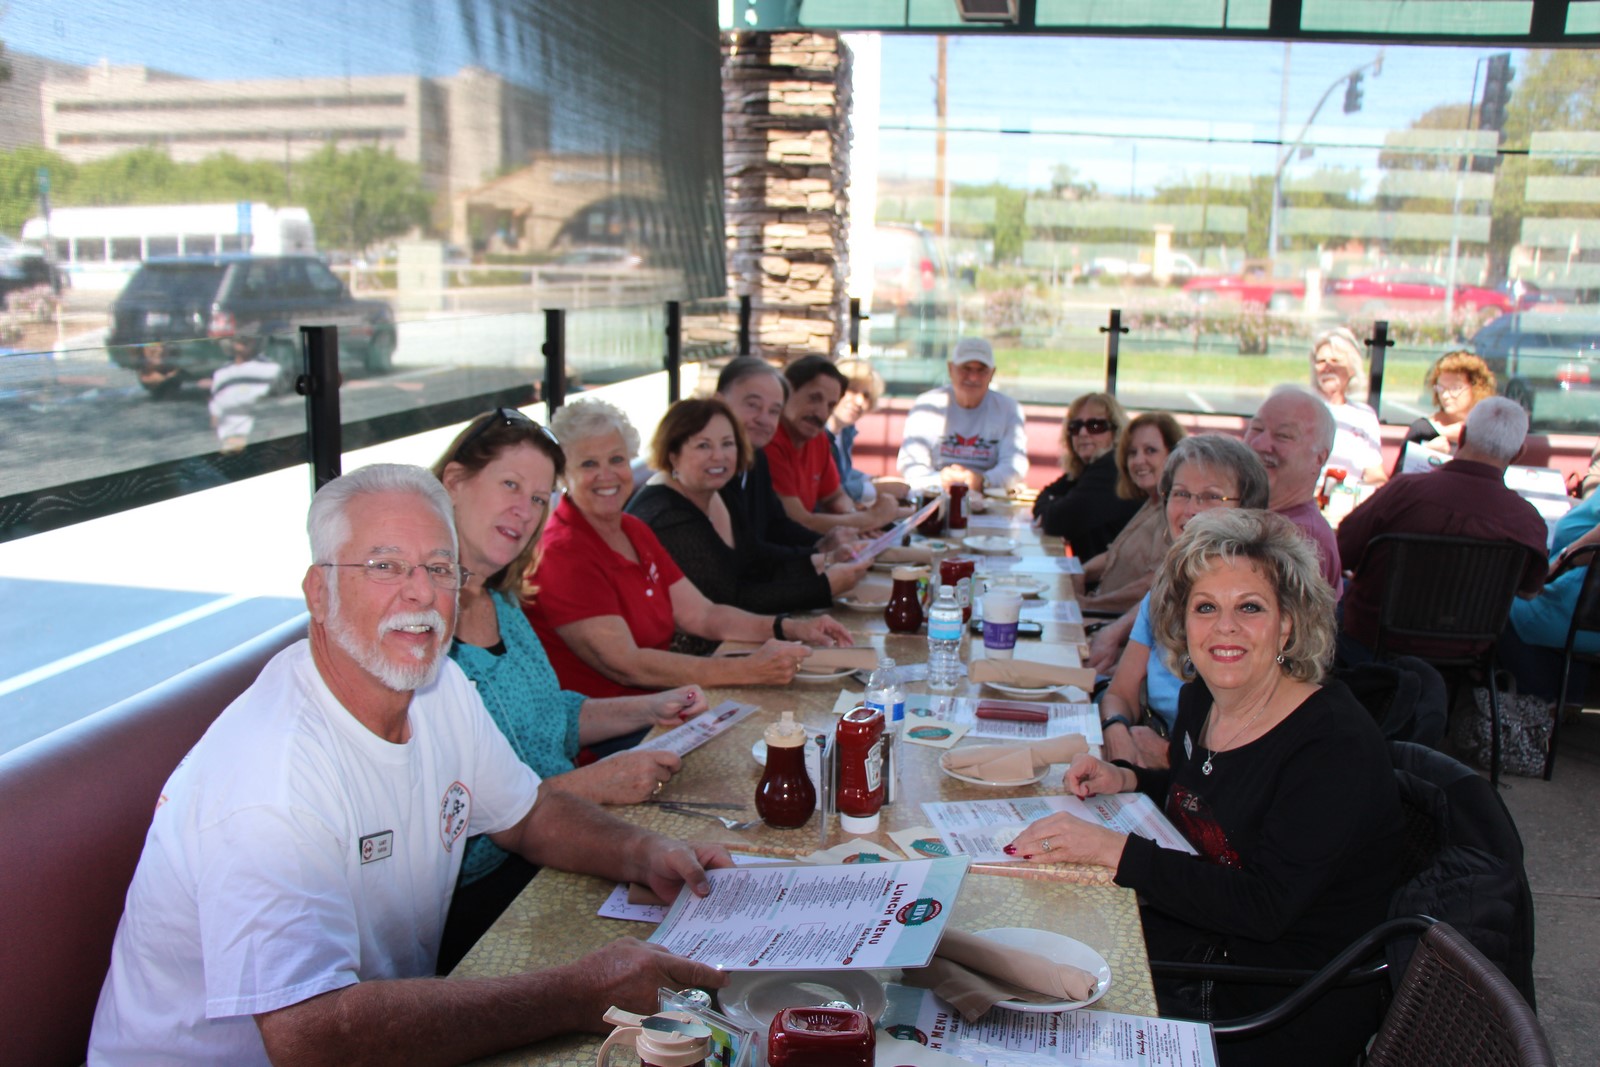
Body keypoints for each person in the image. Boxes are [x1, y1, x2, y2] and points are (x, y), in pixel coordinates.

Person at [88, 464, 729, 1065]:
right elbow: (308, 1036)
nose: (420, 592)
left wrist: (646, 853)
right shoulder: (272, 777)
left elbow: (527, 813)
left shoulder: (438, 684)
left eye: (439, 566)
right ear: (319, 591)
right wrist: (577, 994)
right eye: (385, 565)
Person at [1011, 508, 1403, 1067]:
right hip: (1205, 942)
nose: (1225, 628)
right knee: (1022, 933)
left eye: (1250, 607)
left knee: (1028, 1018)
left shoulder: (1332, 747)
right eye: (1206, 608)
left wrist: (1112, 849)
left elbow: (1265, 906)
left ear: (1287, 622)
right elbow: (1216, 797)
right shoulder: (1206, 698)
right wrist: (1129, 779)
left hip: (1272, 999)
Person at [432, 410, 714, 968]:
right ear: (454, 483)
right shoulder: (419, 633)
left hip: (561, 842)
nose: (526, 509)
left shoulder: (502, 603)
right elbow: (456, 833)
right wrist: (590, 785)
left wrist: (649, 706)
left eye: (540, 498)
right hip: (480, 897)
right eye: (510, 485)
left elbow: (552, 715)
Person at [524, 398, 852, 698]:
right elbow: (627, 664)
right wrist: (745, 669)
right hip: (618, 731)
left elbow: (703, 615)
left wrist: (794, 627)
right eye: (588, 464)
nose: (606, 475)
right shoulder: (562, 554)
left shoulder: (632, 529)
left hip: (661, 701)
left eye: (616, 459)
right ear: (562, 473)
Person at [1094, 435, 1271, 767]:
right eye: (1181, 494)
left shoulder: (1258, 606)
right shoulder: (1164, 591)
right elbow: (1121, 694)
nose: (1191, 509)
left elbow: (1256, 746)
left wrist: (1170, 756)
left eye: (1210, 496)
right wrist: (1116, 730)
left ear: (1248, 509)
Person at [1337, 397, 1548, 664]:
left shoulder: (1402, 492)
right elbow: (1529, 591)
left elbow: (1342, 552)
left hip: (1369, 644)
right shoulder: (1527, 521)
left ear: (1461, 436)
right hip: (1467, 654)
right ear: (1518, 453)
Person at [628, 397, 869, 614]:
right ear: (673, 454)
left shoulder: (717, 491)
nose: (719, 456)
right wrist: (825, 586)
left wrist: (825, 560)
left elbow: (756, 558)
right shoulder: (669, 516)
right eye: (703, 445)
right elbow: (729, 600)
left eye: (727, 443)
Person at [766, 355, 909, 535]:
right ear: (787, 390)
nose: (821, 413)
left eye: (830, 405)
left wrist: (855, 521)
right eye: (814, 398)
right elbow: (799, 522)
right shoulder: (770, 440)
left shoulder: (818, 438)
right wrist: (870, 519)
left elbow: (835, 496)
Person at [1075, 412, 1187, 617]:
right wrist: (1079, 572)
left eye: (1150, 451)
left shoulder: (1174, 512)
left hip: (1116, 628)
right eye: (1132, 453)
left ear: (1173, 455)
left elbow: (1152, 585)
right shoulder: (1152, 501)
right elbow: (1114, 555)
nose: (1138, 460)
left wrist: (1091, 604)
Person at [1501, 491, 1600, 702]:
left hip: (1581, 610)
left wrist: (1554, 568)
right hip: (1582, 606)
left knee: (1500, 600)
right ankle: (1568, 696)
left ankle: (1539, 700)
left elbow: (1586, 550)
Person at [897, 336, 1029, 492]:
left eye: (981, 370)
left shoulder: (1009, 409)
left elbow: (1015, 464)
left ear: (992, 373)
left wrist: (983, 481)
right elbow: (910, 463)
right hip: (934, 494)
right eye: (966, 368)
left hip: (988, 497)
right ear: (950, 369)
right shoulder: (927, 406)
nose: (973, 377)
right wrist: (941, 480)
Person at [1243, 385, 1342, 591]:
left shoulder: (1302, 542)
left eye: (1284, 436)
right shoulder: (1252, 516)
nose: (1260, 444)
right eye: (1257, 429)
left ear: (1318, 459)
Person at [1033, 392, 1145, 559]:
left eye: (1095, 426)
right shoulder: (1089, 467)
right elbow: (1046, 494)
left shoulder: (1111, 469)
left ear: (1115, 432)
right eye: (1075, 427)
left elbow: (1057, 521)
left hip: (1110, 581)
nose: (1083, 433)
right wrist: (1052, 506)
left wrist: (1052, 507)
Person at [1308, 326, 1386, 486]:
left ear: (1351, 369)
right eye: (1321, 361)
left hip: (1350, 498)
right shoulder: (1301, 408)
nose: (1327, 367)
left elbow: (1375, 474)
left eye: (1335, 361)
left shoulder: (1365, 415)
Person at [828, 358, 905, 505]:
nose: (860, 402)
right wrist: (876, 488)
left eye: (866, 396)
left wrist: (872, 479)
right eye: (852, 390)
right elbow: (831, 494)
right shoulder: (816, 434)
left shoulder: (846, 432)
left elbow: (844, 474)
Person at [1401, 350, 1497, 459]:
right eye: (1440, 388)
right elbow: (1400, 474)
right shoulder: (1422, 429)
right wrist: (1425, 452)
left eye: (1455, 388)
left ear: (1476, 388)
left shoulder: (1491, 432)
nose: (1445, 395)